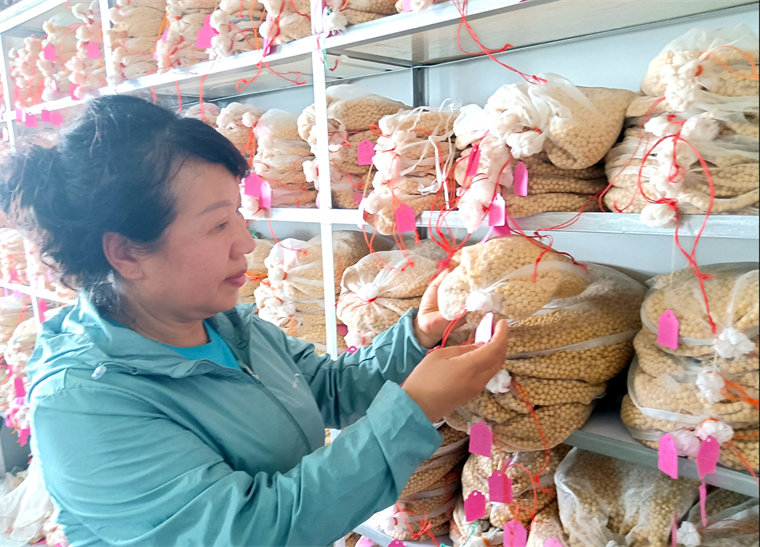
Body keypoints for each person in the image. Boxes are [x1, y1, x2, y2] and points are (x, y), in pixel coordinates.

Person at [0, 95, 509, 547]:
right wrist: (414, 410)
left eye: (238, 218)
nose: (245, 243)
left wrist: (415, 336)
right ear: (128, 253)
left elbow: (331, 389)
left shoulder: (222, 326)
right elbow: (253, 530)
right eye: (218, 225)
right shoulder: (83, 404)